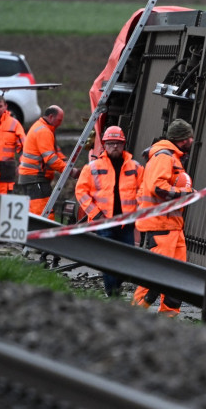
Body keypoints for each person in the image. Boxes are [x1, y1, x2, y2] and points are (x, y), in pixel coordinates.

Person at [131, 119, 194, 317]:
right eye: (190, 136)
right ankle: (135, 313)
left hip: (172, 226)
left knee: (176, 275)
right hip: (161, 226)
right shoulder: (164, 157)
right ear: (184, 139)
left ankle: (168, 317)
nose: (192, 140)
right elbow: (158, 188)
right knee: (154, 275)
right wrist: (185, 193)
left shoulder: (171, 157)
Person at [75, 125, 144, 297]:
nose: (114, 146)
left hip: (126, 223)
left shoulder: (135, 168)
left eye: (118, 143)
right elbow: (81, 192)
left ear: (124, 144)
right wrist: (96, 214)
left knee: (127, 259)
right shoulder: (92, 167)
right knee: (107, 259)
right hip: (103, 222)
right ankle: (111, 293)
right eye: (111, 143)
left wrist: (138, 213)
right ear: (104, 145)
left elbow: (143, 191)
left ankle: (115, 287)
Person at [17, 105, 80, 220]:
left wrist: (65, 162)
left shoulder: (44, 128)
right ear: (51, 117)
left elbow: (55, 151)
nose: (60, 123)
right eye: (59, 120)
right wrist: (70, 171)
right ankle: (45, 236)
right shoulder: (44, 131)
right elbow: (51, 159)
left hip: (33, 178)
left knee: (38, 211)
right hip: (35, 178)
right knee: (42, 213)